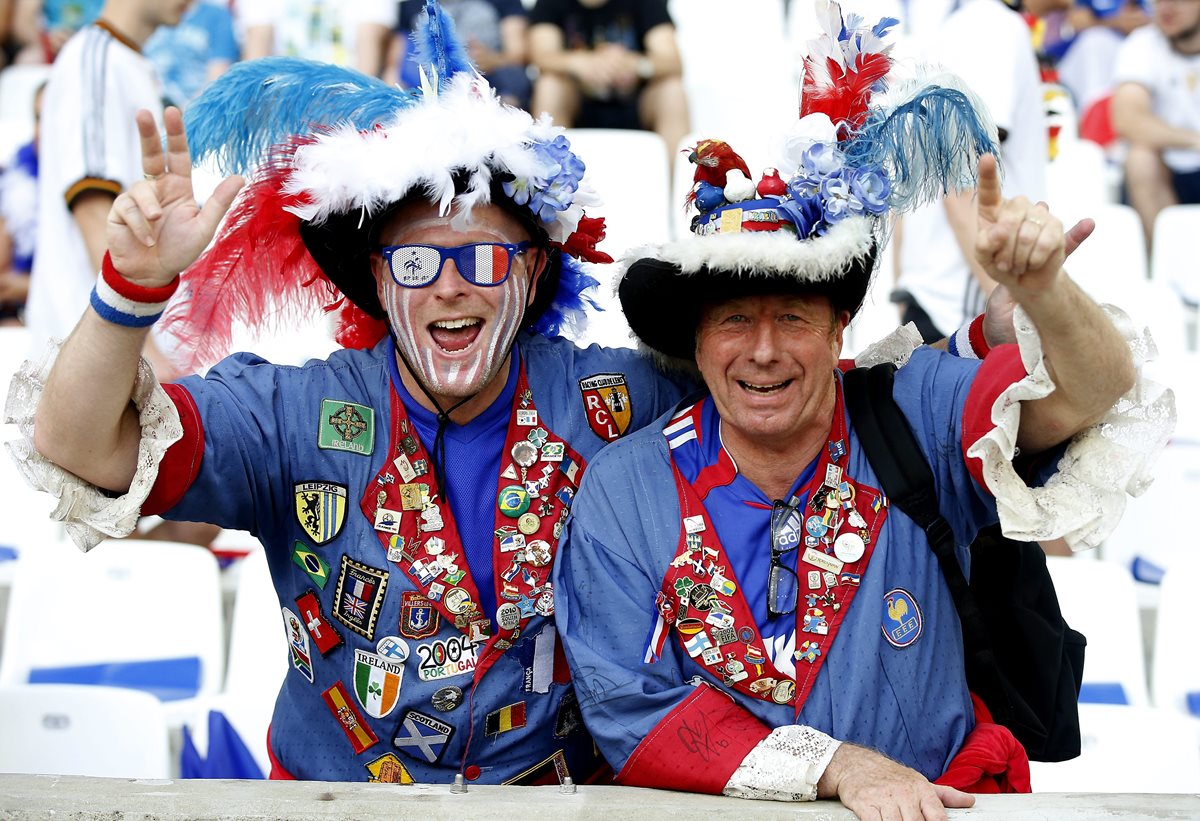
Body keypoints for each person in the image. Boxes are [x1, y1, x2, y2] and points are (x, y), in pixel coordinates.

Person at [14, 1, 691, 784]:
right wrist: (129, 288)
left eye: (482, 259)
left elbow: (772, 392)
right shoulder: (292, 415)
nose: (448, 288)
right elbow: (74, 443)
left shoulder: (615, 396)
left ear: (534, 271)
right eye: (415, 262)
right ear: (376, 277)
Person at [554, 6, 1166, 818]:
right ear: (697, 343)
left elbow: (1091, 396)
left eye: (795, 317)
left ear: (843, 327)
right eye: (734, 318)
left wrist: (1045, 289)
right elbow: (630, 713)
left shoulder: (909, 408)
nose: (764, 349)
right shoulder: (623, 489)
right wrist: (838, 766)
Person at [22, 0, 188, 367]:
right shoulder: (94, 58)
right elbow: (94, 211)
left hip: (112, 356)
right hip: (92, 357)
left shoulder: (124, 61)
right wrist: (147, 355)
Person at [892, 0, 1066, 342]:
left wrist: (904, 288)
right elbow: (963, 185)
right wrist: (1017, 316)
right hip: (968, 313)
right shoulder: (993, 27)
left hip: (938, 304)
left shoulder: (960, 25)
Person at [528, 0, 689, 159]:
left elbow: (673, 62)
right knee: (549, 86)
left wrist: (635, 64)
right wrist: (579, 62)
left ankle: (681, 181)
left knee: (672, 90)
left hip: (637, 103)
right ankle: (549, 180)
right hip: (577, 103)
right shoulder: (549, 4)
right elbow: (540, 57)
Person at [1111, 0, 1200, 249]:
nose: (1167, 7)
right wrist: (1195, 140)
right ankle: (1172, 268)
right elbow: (1127, 119)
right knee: (1140, 158)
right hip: (1168, 170)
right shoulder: (1142, 43)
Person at [143, 0, 239, 110]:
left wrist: (189, 110)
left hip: (194, 108)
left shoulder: (216, 15)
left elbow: (218, 75)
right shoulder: (153, 11)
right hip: (150, 101)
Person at [0, 81, 42, 324]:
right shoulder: (17, 173)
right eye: (38, 118)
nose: (43, 128)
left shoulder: (99, 188)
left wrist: (28, 287)